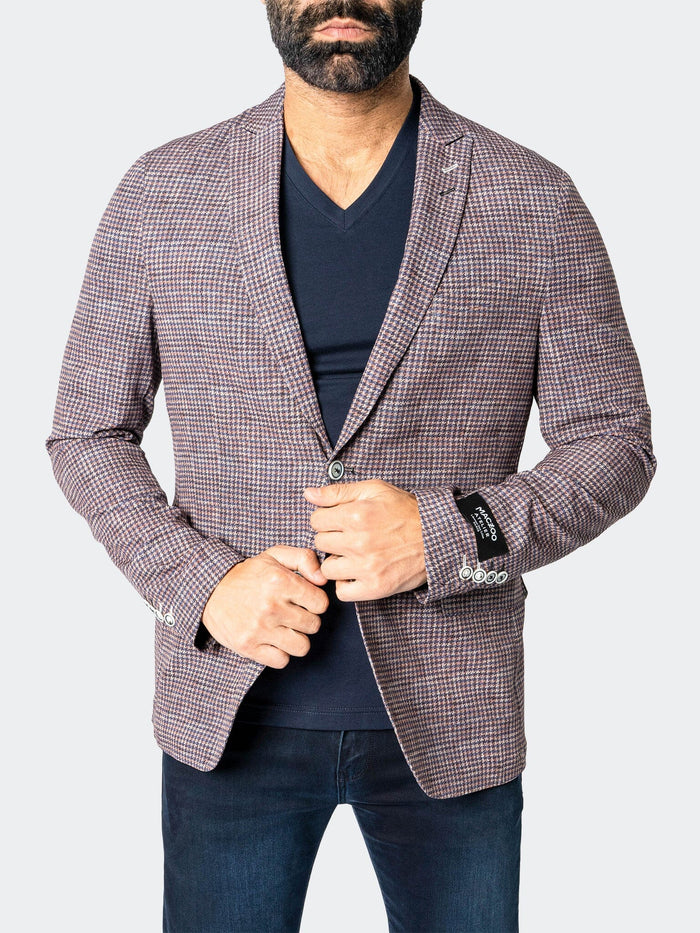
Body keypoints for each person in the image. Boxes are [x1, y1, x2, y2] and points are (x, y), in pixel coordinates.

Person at [45, 1, 657, 930]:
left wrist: (451, 536)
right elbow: (88, 433)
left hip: (453, 718)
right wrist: (204, 584)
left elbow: (614, 439)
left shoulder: (532, 197)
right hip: (230, 710)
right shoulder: (162, 192)